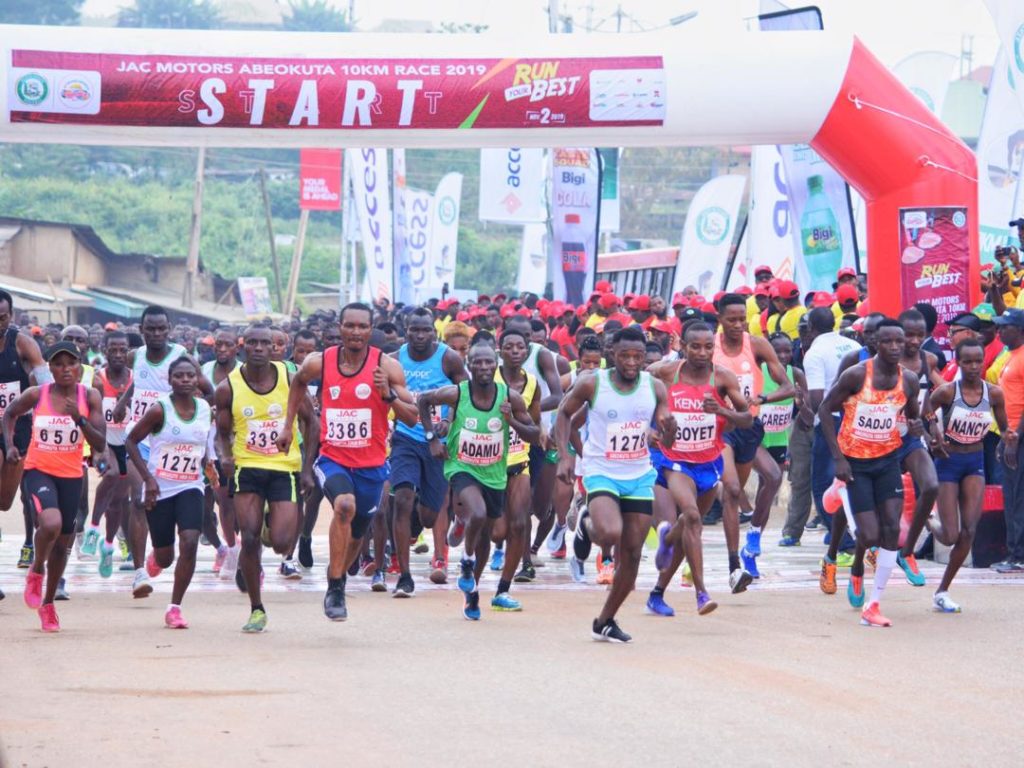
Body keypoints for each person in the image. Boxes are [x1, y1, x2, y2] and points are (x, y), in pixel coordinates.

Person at [278, 303, 417, 623]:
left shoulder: (387, 368)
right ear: (340, 328)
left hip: (372, 465)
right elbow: (297, 382)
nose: (356, 332)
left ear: (370, 330)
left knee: (357, 533)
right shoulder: (320, 362)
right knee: (343, 505)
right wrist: (288, 425)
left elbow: (412, 416)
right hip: (333, 459)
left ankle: (338, 571)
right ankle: (336, 588)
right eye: (350, 326)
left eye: (362, 327)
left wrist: (388, 396)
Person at [555, 326, 674, 643]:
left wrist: (668, 427)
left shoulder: (655, 387)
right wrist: (565, 456)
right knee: (610, 532)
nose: (632, 361)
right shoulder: (593, 383)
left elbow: (666, 437)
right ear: (612, 354)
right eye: (625, 355)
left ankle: (606, 619)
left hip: (638, 474)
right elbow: (564, 415)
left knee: (632, 553)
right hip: (601, 470)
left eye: (638, 355)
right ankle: (585, 524)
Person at [418, 341, 536, 619]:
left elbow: (533, 432)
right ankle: (467, 561)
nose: (483, 367)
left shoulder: (510, 398)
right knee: (479, 514)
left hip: (494, 473)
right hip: (462, 467)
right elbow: (423, 400)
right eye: (477, 363)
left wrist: (512, 421)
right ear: (468, 366)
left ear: (495, 365)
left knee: (486, 535)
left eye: (488, 362)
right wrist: (432, 438)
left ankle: (472, 595)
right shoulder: (457, 393)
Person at [817, 320, 921, 627]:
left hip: (887, 459)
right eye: (887, 342)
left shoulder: (910, 380)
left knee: (892, 532)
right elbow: (825, 409)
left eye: (898, 342)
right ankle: (839, 490)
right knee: (870, 535)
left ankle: (874, 604)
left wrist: (916, 427)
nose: (894, 347)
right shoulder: (857, 375)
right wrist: (838, 458)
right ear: (875, 344)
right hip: (855, 464)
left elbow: (912, 415)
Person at [646, 321, 752, 618]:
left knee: (687, 533)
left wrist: (722, 411)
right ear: (683, 346)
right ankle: (701, 593)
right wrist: (649, 431)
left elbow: (746, 418)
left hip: (709, 462)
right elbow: (637, 395)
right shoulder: (665, 373)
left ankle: (657, 591)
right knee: (691, 517)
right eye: (695, 346)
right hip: (673, 461)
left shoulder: (723, 379)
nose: (702, 352)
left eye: (708, 347)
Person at [216, 325, 317, 633]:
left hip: (284, 467)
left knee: (282, 543)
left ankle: (266, 521)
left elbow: (311, 423)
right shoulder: (228, 387)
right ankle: (257, 608)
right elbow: (222, 433)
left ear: (275, 348)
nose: (259, 348)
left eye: (266, 343)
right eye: (253, 343)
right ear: (243, 347)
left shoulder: (290, 379)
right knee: (247, 538)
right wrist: (225, 457)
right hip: (247, 467)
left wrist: (308, 467)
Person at [3, 341, 106, 632]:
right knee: (50, 523)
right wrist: (10, 446)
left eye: (70, 364)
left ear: (79, 367)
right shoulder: (38, 394)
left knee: (63, 543)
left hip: (72, 475)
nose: (65, 370)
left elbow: (99, 442)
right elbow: (10, 414)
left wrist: (80, 419)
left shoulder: (90, 395)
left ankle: (48, 604)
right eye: (58, 364)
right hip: (38, 470)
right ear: (50, 368)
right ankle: (36, 571)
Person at [113, 306, 210, 599]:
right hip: (141, 439)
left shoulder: (181, 355)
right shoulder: (135, 356)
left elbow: (207, 390)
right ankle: (139, 570)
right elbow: (139, 383)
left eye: (161, 329)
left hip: (171, 441)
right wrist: (124, 400)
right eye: (150, 329)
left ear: (169, 330)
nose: (156, 334)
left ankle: (158, 555)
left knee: (163, 522)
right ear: (142, 330)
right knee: (139, 499)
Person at [926, 339, 1014, 609]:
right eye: (968, 362)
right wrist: (934, 433)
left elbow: (1003, 427)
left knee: (970, 531)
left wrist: (1008, 438)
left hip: (974, 461)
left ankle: (942, 590)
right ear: (959, 362)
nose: (974, 366)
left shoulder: (994, 394)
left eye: (978, 361)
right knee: (951, 535)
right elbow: (926, 412)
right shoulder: (946, 392)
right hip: (948, 462)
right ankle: (929, 520)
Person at [126, 357, 214, 629]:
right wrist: (148, 479)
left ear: (197, 379)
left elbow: (204, 442)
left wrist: (210, 463)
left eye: (191, 376)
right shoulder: (159, 410)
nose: (186, 380)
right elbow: (131, 441)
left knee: (189, 541)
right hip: (160, 490)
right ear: (170, 380)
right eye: (179, 376)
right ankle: (155, 558)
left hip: (191, 485)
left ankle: (175, 607)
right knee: (166, 557)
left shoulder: (204, 409)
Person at [714, 294, 794, 588]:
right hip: (718, 429)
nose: (738, 325)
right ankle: (734, 565)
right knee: (733, 489)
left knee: (773, 476)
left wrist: (761, 397)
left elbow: (788, 387)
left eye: (742, 319)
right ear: (719, 319)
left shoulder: (756, 345)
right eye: (731, 320)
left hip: (748, 425)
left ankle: (753, 539)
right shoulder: (708, 347)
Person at [387, 307, 467, 594]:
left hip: (441, 444)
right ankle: (404, 575)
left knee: (431, 515)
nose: (420, 335)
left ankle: (423, 518)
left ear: (434, 331)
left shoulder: (449, 358)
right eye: (414, 330)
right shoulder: (394, 360)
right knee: (402, 498)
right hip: (407, 437)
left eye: (426, 330)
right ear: (405, 331)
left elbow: (465, 394)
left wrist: (447, 421)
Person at [488, 327, 542, 610]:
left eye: (520, 347)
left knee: (520, 523)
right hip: (488, 464)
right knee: (497, 532)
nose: (515, 352)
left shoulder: (532, 383)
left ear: (527, 350)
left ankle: (504, 589)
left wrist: (512, 421)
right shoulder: (487, 377)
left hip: (519, 461)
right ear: (500, 349)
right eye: (509, 347)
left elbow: (532, 429)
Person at [0, 290, 51, 573]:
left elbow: (44, 382)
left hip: (18, 429)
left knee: (5, 501)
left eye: (3, 317)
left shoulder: (22, 343)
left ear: (11, 315)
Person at [84, 330, 134, 578]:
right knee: (111, 475)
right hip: (105, 444)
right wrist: (96, 449)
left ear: (128, 351)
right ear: (104, 350)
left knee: (118, 502)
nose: (117, 354)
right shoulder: (97, 379)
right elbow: (93, 416)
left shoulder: (136, 379)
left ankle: (109, 545)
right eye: (112, 349)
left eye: (122, 349)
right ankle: (93, 528)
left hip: (128, 444)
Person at [201, 329, 240, 580]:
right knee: (202, 509)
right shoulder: (204, 370)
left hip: (234, 445)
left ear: (237, 346)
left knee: (228, 501)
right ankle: (222, 547)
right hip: (202, 444)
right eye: (219, 345)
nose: (222, 349)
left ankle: (234, 549)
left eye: (228, 345)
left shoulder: (244, 372)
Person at [994, 309, 1024, 572]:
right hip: (1011, 434)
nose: (1000, 331)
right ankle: (1014, 553)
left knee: (1018, 498)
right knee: (1012, 495)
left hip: (1020, 436)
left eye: (1006, 327)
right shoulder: (1010, 356)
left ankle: (1019, 556)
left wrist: (1015, 438)